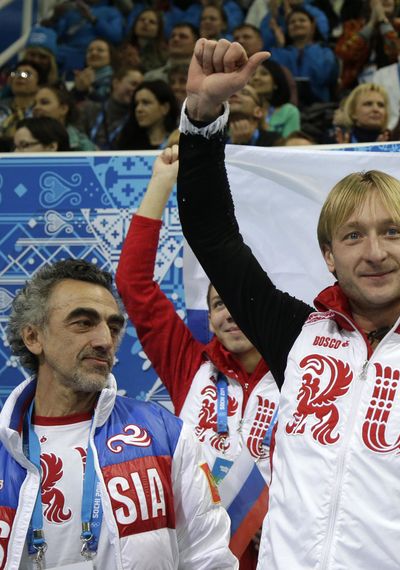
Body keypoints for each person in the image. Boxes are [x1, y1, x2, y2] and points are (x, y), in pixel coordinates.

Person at [177, 37, 400, 568]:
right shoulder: (297, 336)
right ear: (329, 255)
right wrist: (205, 113)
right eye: (353, 237)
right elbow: (213, 236)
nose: (374, 253)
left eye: (391, 232)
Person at [0, 259, 236, 568]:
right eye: (83, 322)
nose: (104, 341)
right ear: (34, 337)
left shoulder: (166, 435)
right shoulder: (7, 447)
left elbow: (210, 558)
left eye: (113, 327)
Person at [117, 146, 277, 569]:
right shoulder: (189, 364)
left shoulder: (303, 366)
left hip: (283, 549)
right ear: (209, 317)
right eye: (219, 305)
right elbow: (134, 284)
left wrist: (279, 519)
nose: (231, 314)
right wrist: (160, 185)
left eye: (239, 302)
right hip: (196, 551)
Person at [270, 6, 339, 104]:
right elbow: (276, 79)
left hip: (319, 108)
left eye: (302, 20)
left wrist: (311, 49)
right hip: (285, 107)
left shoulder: (325, 52)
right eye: (292, 22)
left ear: (313, 26)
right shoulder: (279, 52)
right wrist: (280, 46)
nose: (297, 24)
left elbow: (322, 76)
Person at [335, 0, 400, 90]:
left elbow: (399, 53)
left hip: (393, 86)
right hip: (355, 88)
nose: (387, 0)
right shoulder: (352, 26)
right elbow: (346, 53)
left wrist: (383, 21)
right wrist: (371, 24)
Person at [78, 66, 143, 150]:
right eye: (133, 84)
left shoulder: (138, 118)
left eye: (140, 87)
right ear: (116, 83)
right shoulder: (89, 109)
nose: (136, 90)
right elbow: (77, 135)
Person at [115, 80, 179, 150]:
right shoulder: (126, 141)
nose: (138, 109)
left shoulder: (179, 140)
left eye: (146, 103)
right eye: (136, 104)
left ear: (165, 108)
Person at [32, 85, 96, 151]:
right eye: (34, 104)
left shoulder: (84, 147)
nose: (36, 107)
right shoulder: (24, 139)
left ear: (63, 109)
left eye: (44, 102)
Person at [248, 59, 300, 137]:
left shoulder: (289, 111)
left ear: (276, 83)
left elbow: (290, 145)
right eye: (252, 74)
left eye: (264, 73)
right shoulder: (239, 107)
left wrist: (263, 127)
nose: (256, 78)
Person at [0, 60, 46, 140]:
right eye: (17, 73)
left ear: (39, 84)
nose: (20, 76)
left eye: (27, 74)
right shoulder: (1, 107)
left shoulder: (43, 111)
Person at [120, 8, 168, 73]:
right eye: (142, 20)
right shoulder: (124, 48)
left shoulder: (163, 53)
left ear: (158, 29)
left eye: (152, 22)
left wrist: (139, 66)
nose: (146, 23)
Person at [72, 38, 114, 102]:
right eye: (90, 51)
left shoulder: (115, 79)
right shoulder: (81, 78)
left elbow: (105, 103)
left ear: (111, 55)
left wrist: (88, 90)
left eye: (100, 50)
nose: (93, 53)